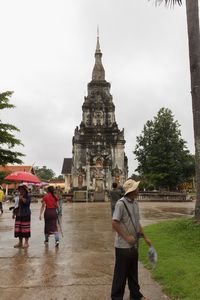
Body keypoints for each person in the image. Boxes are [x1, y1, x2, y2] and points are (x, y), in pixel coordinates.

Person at [111, 179, 152, 300]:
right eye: (137, 188)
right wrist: (126, 237)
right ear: (132, 190)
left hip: (134, 245)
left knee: (133, 272)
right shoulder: (121, 204)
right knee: (121, 275)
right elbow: (114, 223)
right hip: (123, 246)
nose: (138, 190)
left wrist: (145, 238)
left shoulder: (135, 203)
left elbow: (137, 223)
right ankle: (116, 297)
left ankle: (135, 295)